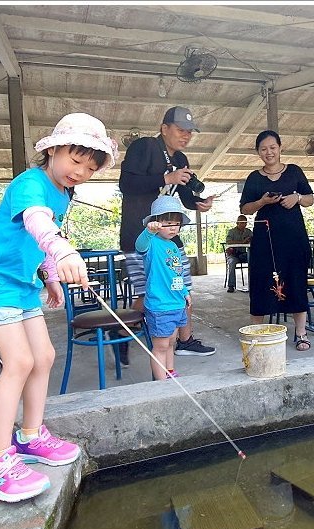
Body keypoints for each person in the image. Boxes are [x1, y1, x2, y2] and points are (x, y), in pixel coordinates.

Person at [0, 113, 118, 502]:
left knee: (44, 356)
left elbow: (39, 240)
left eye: (90, 167)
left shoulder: (64, 194)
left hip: (23, 287)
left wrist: (50, 274)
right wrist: (63, 250)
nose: (80, 171)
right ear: (51, 150)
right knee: (18, 362)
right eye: (74, 160)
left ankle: (30, 436)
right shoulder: (30, 183)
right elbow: (37, 222)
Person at [118, 106, 216, 361]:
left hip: (171, 237)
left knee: (182, 287)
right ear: (164, 129)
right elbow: (126, 184)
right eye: (180, 130)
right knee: (148, 291)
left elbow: (183, 196)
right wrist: (165, 177)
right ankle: (120, 330)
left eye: (190, 132)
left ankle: (185, 340)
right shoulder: (144, 147)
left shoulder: (181, 159)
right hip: (142, 237)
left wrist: (199, 203)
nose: (186, 136)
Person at [240, 130, 314, 351]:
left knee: (296, 280)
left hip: (294, 238)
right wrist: (262, 201)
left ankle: (301, 333)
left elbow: (310, 199)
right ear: (258, 152)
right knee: (261, 281)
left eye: (272, 147)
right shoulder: (254, 178)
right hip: (265, 238)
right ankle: (257, 335)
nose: (269, 152)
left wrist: (297, 198)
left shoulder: (294, 171)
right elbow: (245, 209)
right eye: (263, 149)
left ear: (280, 148)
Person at [136, 196, 192, 380]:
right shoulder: (151, 243)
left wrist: (185, 292)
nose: (173, 228)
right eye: (168, 223)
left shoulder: (174, 246)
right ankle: (160, 386)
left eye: (176, 224)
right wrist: (148, 231)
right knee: (160, 346)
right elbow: (139, 245)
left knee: (170, 343)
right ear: (156, 223)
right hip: (160, 305)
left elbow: (178, 273)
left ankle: (170, 373)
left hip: (176, 303)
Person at [225, 214, 252, 293]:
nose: (244, 225)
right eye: (242, 223)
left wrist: (250, 240)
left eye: (245, 223)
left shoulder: (248, 232)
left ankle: (253, 284)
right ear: (237, 223)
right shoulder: (232, 232)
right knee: (232, 263)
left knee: (253, 261)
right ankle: (231, 286)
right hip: (233, 254)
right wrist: (242, 242)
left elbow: (254, 239)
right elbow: (228, 242)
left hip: (244, 254)